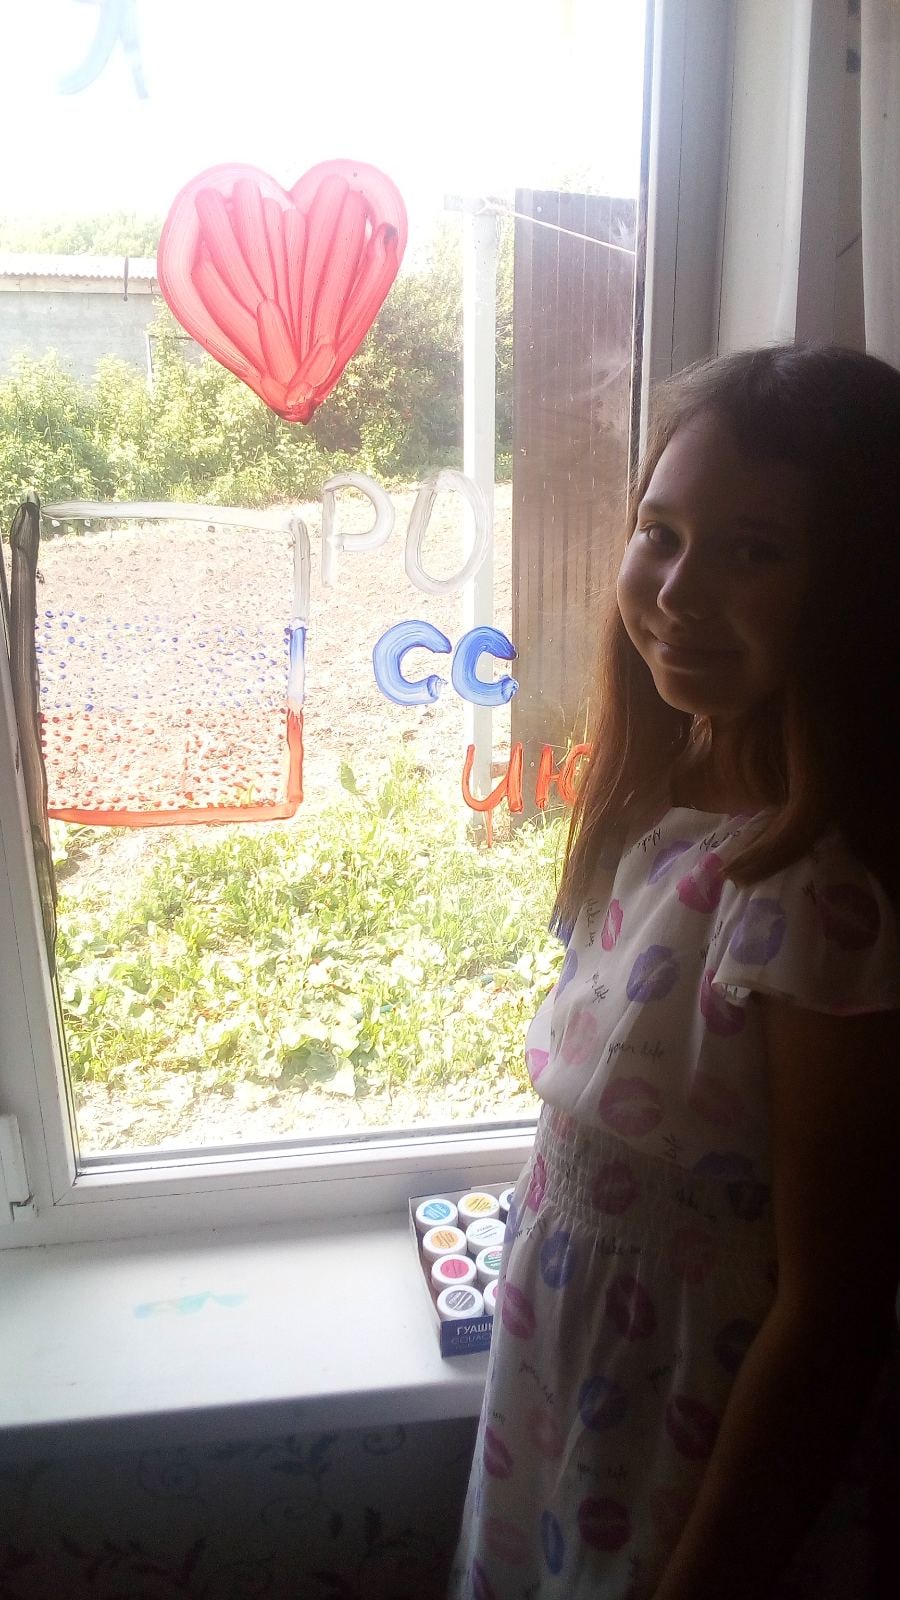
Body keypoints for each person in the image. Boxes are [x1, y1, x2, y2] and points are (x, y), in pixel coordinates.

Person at [450, 344, 900, 1600]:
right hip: (562, 1408)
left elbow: (834, 1308)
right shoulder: (662, 797)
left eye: (754, 552)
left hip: (683, 1457)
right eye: (661, 532)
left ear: (860, 590)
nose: (680, 591)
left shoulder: (823, 903)